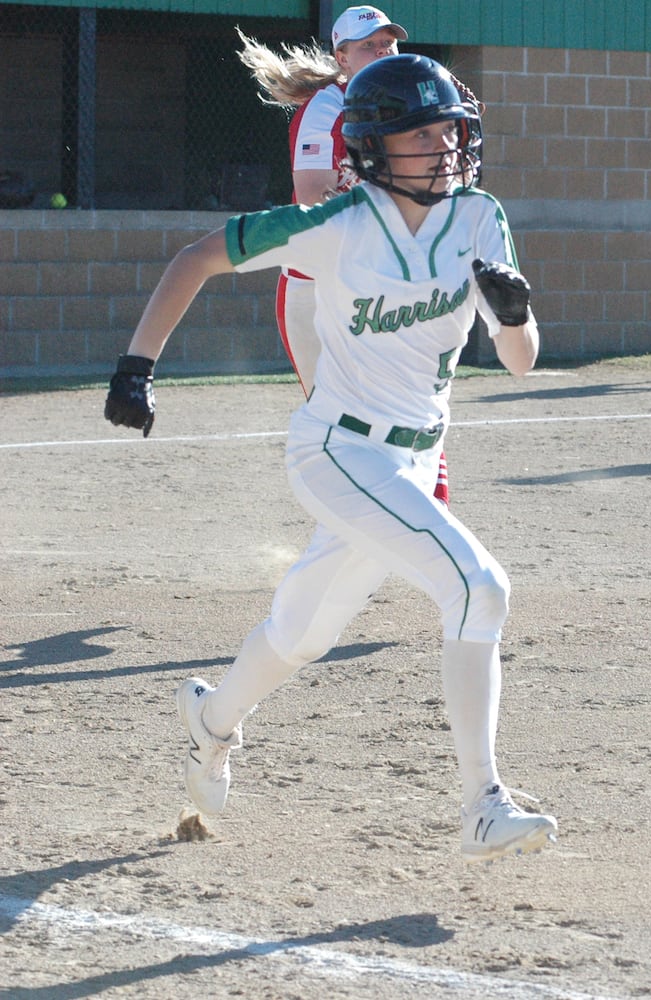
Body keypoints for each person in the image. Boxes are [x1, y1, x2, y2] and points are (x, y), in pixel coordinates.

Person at [102, 55, 557, 862]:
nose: (443, 144)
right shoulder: (339, 223)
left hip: (412, 465)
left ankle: (211, 722)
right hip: (337, 449)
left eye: (449, 127)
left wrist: (516, 316)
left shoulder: (480, 216)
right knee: (479, 587)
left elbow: (520, 361)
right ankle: (482, 802)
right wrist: (136, 365)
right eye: (421, 131)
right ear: (377, 145)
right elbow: (197, 258)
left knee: (303, 633)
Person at [238, 7, 479, 503]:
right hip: (317, 290)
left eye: (389, 43)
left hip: (384, 282)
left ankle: (430, 517)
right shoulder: (326, 107)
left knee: (413, 403)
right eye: (369, 45)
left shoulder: (404, 107)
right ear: (341, 57)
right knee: (340, 420)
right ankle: (353, 535)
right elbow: (311, 198)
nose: (384, 51)